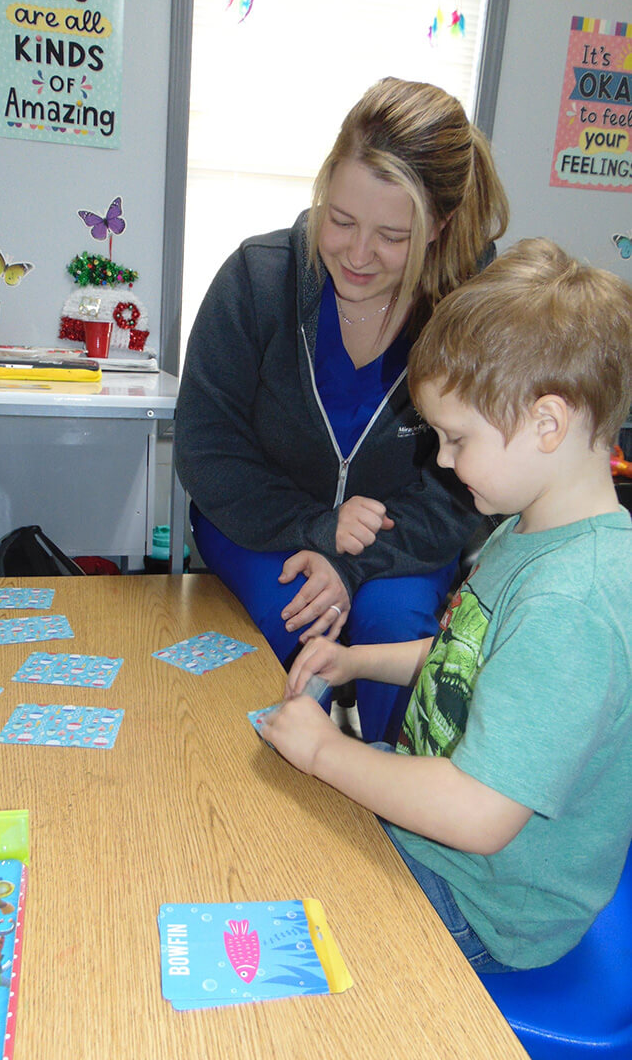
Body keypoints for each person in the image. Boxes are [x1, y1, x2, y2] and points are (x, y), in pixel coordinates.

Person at [263, 238, 632, 972]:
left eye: (456, 438)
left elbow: (479, 812)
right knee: (269, 812)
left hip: (481, 905)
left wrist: (327, 748)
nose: (440, 461)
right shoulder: (529, 530)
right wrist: (356, 657)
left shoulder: (574, 598)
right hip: (442, 843)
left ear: (547, 423)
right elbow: (471, 659)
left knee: (269, 884)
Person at [175, 76, 509, 744]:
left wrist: (350, 562)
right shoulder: (258, 278)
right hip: (261, 524)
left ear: (440, 226)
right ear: (323, 189)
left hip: (404, 540)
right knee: (290, 616)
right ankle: (261, 813)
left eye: (392, 236)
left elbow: (466, 485)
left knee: (397, 624)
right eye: (342, 220)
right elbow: (207, 449)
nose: (357, 256)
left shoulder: (469, 306)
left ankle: (391, 813)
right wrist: (316, 527)